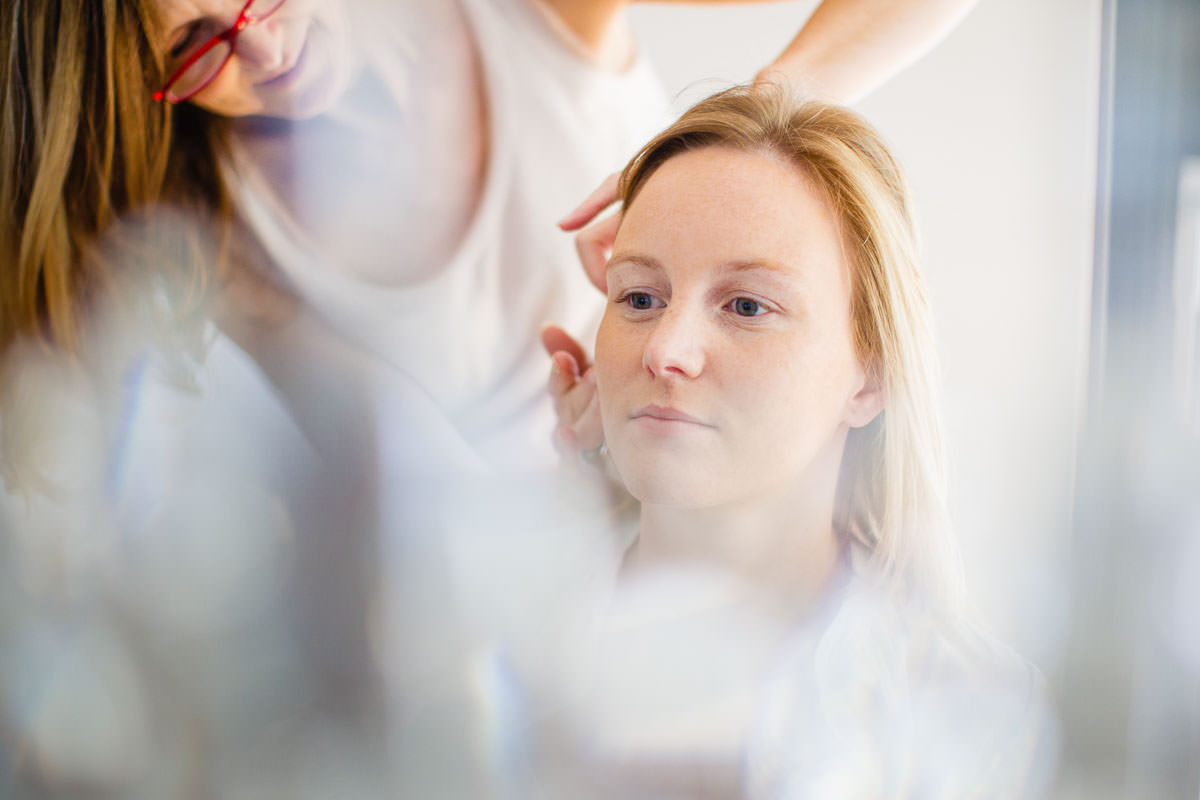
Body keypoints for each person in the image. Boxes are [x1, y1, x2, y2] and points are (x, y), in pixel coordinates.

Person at [0, 0, 981, 482]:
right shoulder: (207, 233)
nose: (263, 45)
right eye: (193, 46)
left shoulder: (519, 15)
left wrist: (759, 116)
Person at [537, 85, 1051, 797]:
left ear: (870, 375)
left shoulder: (974, 716)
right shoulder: (467, 648)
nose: (664, 350)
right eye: (640, 297)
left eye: (748, 305)